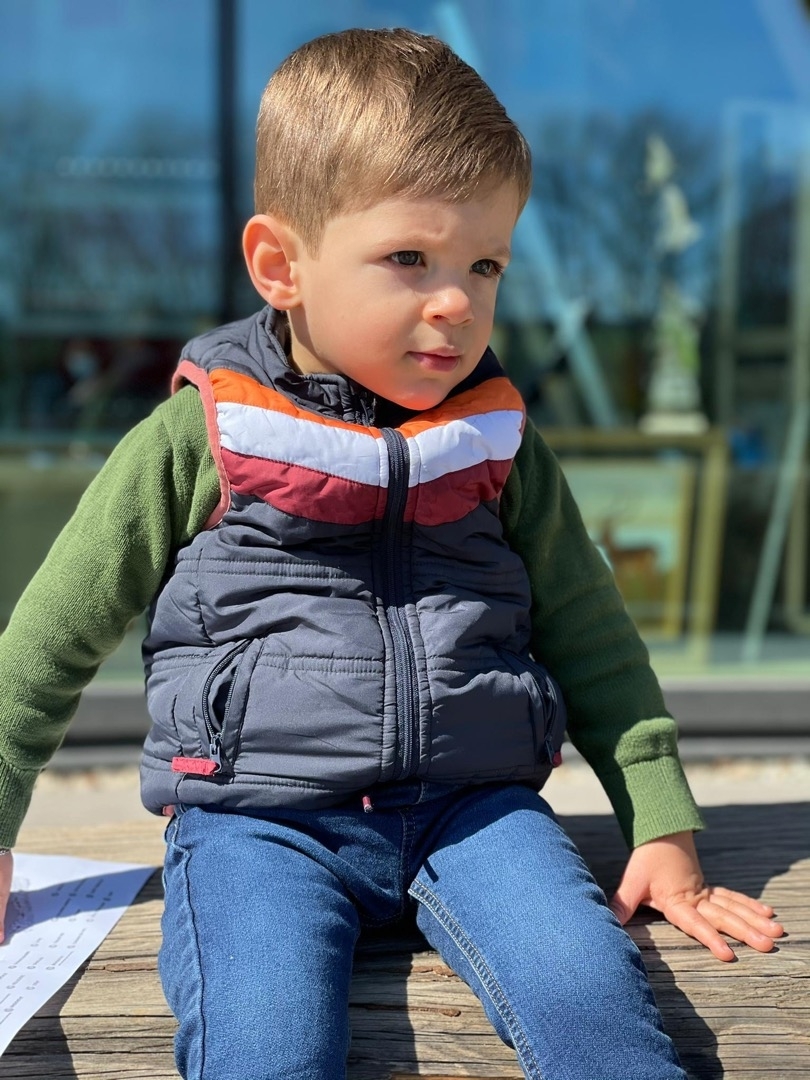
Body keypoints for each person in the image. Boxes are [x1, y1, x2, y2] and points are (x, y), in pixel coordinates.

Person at [0, 28, 783, 1080]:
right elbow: (49, 639)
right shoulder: (203, 436)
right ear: (281, 266)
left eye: (485, 264)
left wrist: (661, 823)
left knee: (596, 1010)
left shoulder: (497, 442)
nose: (456, 300)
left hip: (476, 812)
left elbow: (592, 634)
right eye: (410, 259)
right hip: (256, 824)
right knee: (265, 1047)